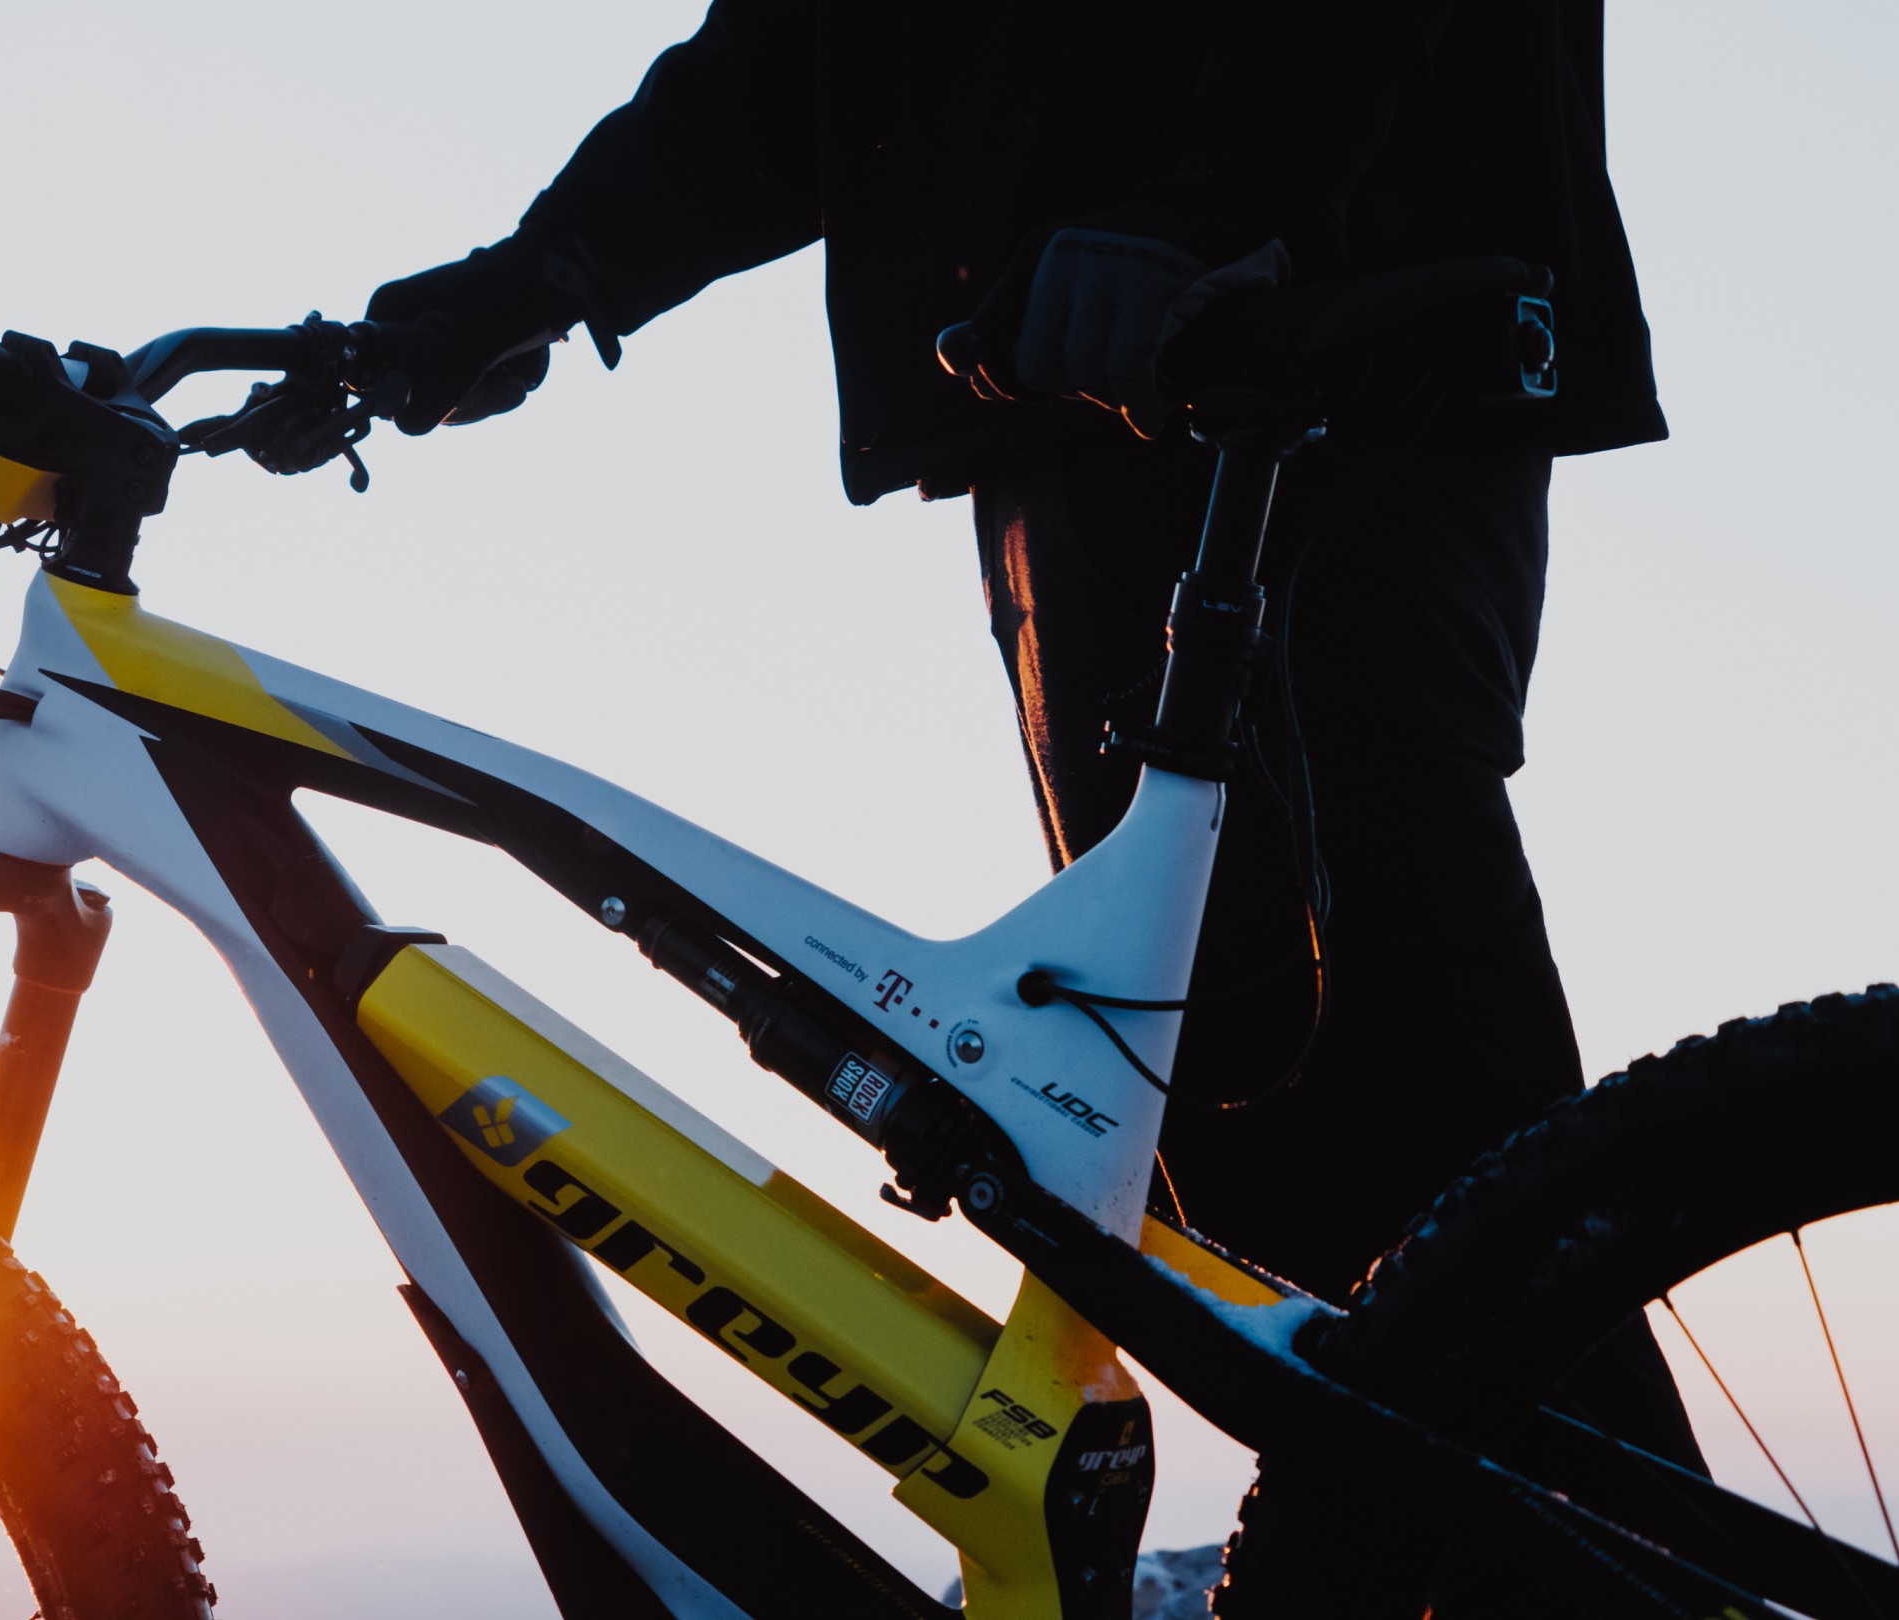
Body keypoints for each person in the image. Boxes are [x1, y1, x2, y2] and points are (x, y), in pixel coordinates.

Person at [349, 0, 1703, 1582]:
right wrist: (551, 271)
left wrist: (1227, 202)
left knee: (1400, 1134)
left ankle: (1643, 1580)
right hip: (1088, 386)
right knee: (1247, 1164)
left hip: (1297, 344)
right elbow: (825, 46)